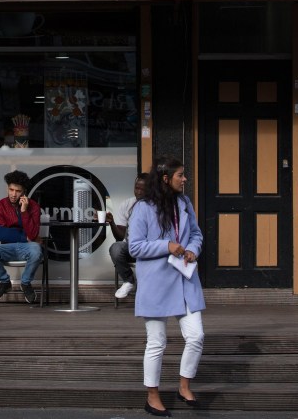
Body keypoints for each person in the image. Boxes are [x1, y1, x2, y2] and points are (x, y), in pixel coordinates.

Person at [128, 157, 205, 417]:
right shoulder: (143, 208)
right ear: (165, 178)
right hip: (156, 283)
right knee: (157, 342)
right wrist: (167, 246)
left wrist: (193, 250)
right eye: (180, 175)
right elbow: (134, 247)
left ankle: (184, 385)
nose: (184, 179)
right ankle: (152, 395)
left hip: (184, 279)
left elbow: (196, 234)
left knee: (196, 336)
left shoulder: (184, 203)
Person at [0, 169, 42, 304]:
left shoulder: (33, 207)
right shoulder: (0, 206)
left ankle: (26, 283)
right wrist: (24, 237)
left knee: (36, 249)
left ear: (24, 192)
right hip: (7, 248)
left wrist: (24, 212)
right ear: (7, 188)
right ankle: (4, 282)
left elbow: (33, 234)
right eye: (11, 190)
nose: (13, 194)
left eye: (18, 191)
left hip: (27, 248)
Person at [107, 172, 147, 299]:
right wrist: (112, 222)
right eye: (137, 188)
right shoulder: (127, 204)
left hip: (151, 248)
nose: (139, 192)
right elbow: (120, 237)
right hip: (133, 247)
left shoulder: (157, 206)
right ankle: (129, 281)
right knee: (116, 248)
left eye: (143, 189)